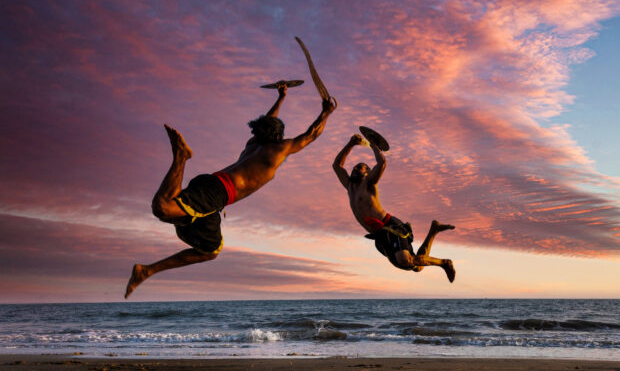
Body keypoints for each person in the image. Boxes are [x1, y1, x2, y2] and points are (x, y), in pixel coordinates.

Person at [125, 84, 337, 298]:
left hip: (214, 193)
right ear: (278, 135)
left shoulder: (253, 144)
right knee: (162, 208)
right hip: (216, 191)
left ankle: (147, 270)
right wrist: (325, 113)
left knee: (209, 250)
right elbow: (311, 135)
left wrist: (281, 97)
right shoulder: (279, 149)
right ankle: (180, 157)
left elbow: (268, 120)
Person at [332, 133, 456, 282]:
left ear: (368, 173)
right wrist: (350, 144)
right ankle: (434, 230)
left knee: (405, 260)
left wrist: (373, 144)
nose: (355, 168)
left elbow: (382, 163)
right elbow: (337, 165)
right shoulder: (349, 186)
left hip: (390, 226)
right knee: (416, 266)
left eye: (360, 167)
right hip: (379, 234)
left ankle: (445, 263)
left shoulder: (369, 183)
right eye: (354, 167)